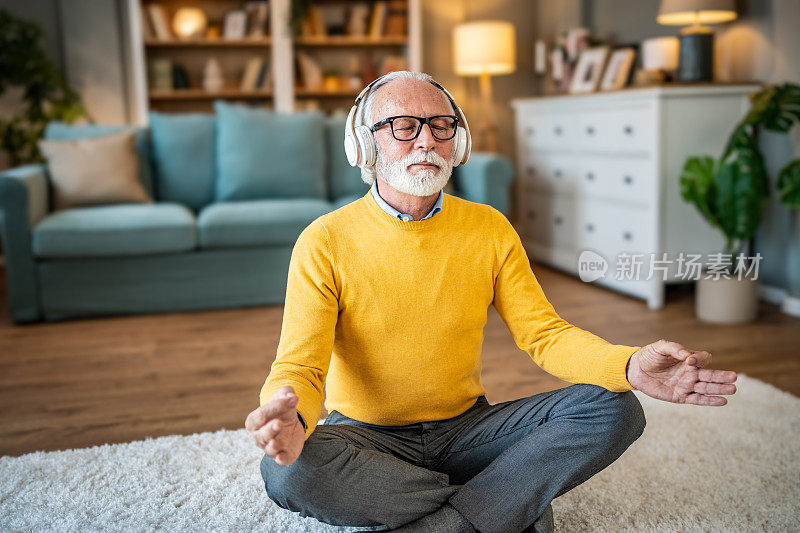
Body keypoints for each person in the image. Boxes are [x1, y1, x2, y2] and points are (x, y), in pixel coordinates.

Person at [245, 71, 738, 533]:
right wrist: (292, 417)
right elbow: (301, 366)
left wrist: (630, 365)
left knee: (615, 408)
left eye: (441, 126)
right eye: (402, 126)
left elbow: (544, 335)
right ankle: (497, 505)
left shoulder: (489, 228)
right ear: (363, 143)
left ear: (458, 141)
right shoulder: (324, 240)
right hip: (367, 436)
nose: (426, 140)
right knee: (289, 472)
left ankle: (460, 516)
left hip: (468, 429)